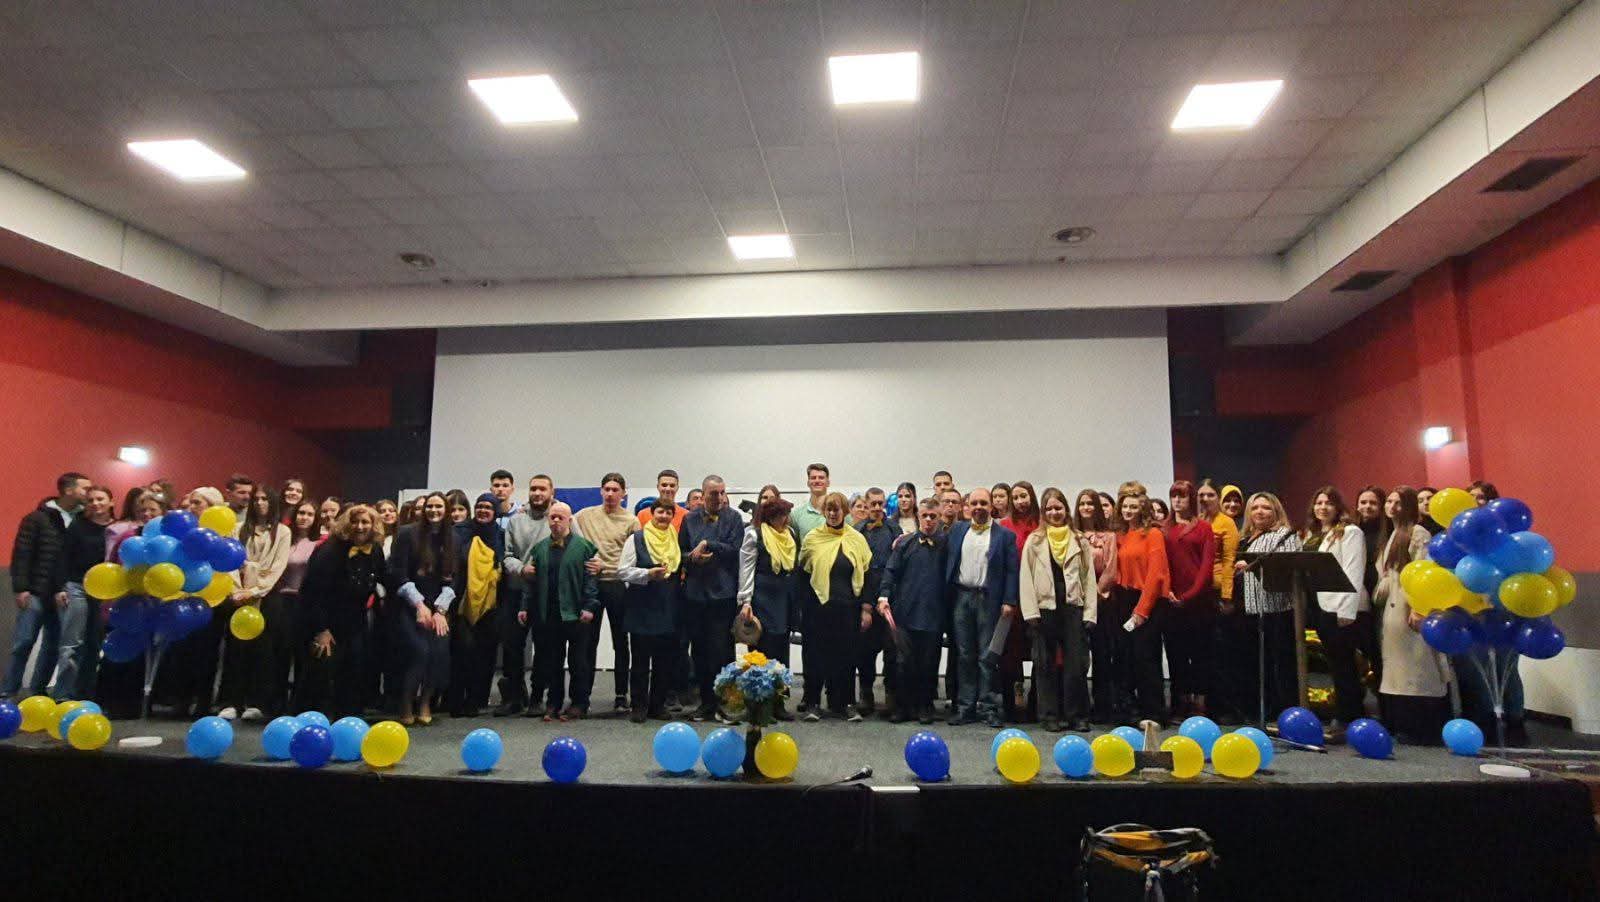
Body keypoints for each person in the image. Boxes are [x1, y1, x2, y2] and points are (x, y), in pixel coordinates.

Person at [1374, 486, 1450, 744]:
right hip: (1392, 609)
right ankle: (1403, 724)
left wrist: (1420, 608)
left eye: (1398, 502)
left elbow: (1425, 573)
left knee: (1418, 669)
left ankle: (1423, 728)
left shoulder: (1418, 533)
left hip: (1411, 608)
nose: (1392, 507)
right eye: (1389, 501)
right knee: (1399, 672)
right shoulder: (1392, 535)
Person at [1020, 487, 1097, 733]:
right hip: (1044, 609)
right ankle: (1049, 715)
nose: (1054, 513)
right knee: (1045, 665)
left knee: (1076, 665)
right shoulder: (1034, 540)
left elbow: (1089, 578)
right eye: (1049, 509)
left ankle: (1077, 716)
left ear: (1066, 509)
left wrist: (1090, 613)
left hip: (1073, 606)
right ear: (1043, 512)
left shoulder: (1079, 540)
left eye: (1058, 507)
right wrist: (1030, 612)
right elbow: (1026, 577)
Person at [5, 472, 88, 699]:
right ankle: (8, 691)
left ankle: (38, 691)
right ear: (68, 490)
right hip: (35, 590)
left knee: (53, 644)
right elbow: (22, 554)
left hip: (63, 592)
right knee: (24, 641)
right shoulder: (37, 518)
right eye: (84, 488)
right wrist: (21, 588)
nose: (88, 493)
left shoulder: (82, 520)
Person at [943, 487, 1020, 727]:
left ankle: (989, 708)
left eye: (983, 503)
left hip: (989, 600)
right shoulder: (957, 530)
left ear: (991, 506)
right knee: (964, 655)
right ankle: (965, 708)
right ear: (968, 506)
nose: (978, 507)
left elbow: (1012, 571)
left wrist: (1009, 600)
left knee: (988, 657)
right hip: (961, 598)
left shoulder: (1005, 536)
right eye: (974, 503)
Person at [300, 504, 385, 718]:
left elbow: (385, 578)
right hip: (325, 619)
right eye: (355, 522)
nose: (360, 527)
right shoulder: (330, 550)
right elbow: (312, 593)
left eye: (365, 522)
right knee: (322, 673)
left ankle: (347, 720)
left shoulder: (375, 550)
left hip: (355, 620)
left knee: (354, 671)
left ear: (373, 525)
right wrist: (322, 630)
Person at [517, 502, 600, 721]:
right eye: (552, 517)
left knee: (578, 662)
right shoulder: (539, 548)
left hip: (577, 614)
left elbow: (591, 581)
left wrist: (589, 606)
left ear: (569, 521)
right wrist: (525, 607)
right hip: (549, 614)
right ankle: (553, 704)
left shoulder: (585, 547)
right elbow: (530, 583)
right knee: (552, 661)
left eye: (560, 518)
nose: (555, 521)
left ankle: (579, 703)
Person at [215, 485, 291, 721]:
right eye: (256, 499)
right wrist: (237, 590)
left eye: (264, 499)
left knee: (263, 651)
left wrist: (255, 591)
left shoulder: (282, 532)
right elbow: (230, 561)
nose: (259, 503)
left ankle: (257, 702)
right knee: (236, 649)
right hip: (238, 595)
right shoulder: (238, 529)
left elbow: (277, 567)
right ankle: (231, 701)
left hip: (266, 597)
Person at [799, 492, 873, 721]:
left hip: (848, 607)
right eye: (828, 510)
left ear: (845, 512)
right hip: (818, 608)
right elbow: (803, 575)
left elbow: (867, 575)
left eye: (836, 509)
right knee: (815, 657)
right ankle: (813, 703)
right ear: (824, 512)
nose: (832, 514)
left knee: (847, 657)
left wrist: (866, 609)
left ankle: (846, 703)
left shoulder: (857, 539)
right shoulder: (813, 538)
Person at [676, 476, 745, 722]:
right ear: (703, 495)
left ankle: (725, 704)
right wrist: (692, 558)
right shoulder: (689, 519)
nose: (719, 498)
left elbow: (735, 550)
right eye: (714, 493)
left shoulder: (734, 518)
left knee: (722, 652)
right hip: (695, 596)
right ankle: (705, 703)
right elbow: (680, 553)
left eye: (722, 492)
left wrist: (709, 544)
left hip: (722, 596)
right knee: (700, 652)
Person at [1302, 486, 1369, 737]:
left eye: (1328, 503)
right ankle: (1343, 714)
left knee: (1344, 665)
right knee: (1334, 662)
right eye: (1319, 503)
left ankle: (1349, 716)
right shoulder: (1316, 535)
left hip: (1342, 609)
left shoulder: (1350, 532)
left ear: (1338, 507)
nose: (1323, 507)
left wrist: (1346, 611)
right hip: (1321, 606)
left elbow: (1353, 571)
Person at [1233, 492, 1304, 721]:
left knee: (1280, 666)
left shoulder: (1284, 535)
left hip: (1277, 610)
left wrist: (1252, 566)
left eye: (1265, 507)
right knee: (1256, 666)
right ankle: (1261, 711)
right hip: (1251, 610)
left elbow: (1285, 569)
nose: (1259, 512)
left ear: (1276, 511)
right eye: (1255, 508)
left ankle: (1284, 714)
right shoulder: (1246, 537)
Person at [387, 492, 456, 725]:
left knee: (437, 653)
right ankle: (406, 703)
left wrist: (440, 610)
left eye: (439, 506)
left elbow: (455, 578)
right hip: (408, 604)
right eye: (430, 506)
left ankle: (425, 702)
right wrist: (419, 605)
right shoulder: (407, 534)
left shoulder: (454, 538)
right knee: (419, 652)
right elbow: (397, 572)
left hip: (439, 607)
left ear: (446, 510)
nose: (434, 511)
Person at [574, 473, 640, 713]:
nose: (610, 494)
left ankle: (621, 695)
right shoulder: (584, 516)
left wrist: (606, 566)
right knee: (587, 642)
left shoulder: (631, 521)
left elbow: (633, 558)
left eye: (615, 490)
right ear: (601, 491)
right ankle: (583, 697)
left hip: (617, 585)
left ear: (623, 493)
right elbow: (561, 519)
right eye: (607, 489)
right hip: (591, 586)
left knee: (621, 642)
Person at [878, 498, 947, 724]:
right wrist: (883, 596)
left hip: (933, 615)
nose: (928, 520)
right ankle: (902, 707)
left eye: (933, 516)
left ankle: (925, 706)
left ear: (939, 517)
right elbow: (890, 572)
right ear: (918, 516)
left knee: (929, 664)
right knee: (903, 663)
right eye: (925, 516)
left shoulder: (947, 546)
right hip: (905, 614)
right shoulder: (904, 544)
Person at [1111, 482, 1173, 725]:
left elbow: (1156, 575)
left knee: (1146, 658)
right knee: (1126, 658)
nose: (1128, 511)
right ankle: (1129, 712)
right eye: (1125, 506)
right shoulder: (1121, 535)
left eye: (1133, 507)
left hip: (1148, 601)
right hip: (1124, 599)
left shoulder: (1153, 534)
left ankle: (1153, 713)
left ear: (1142, 509)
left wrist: (1142, 611)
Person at [737, 497, 801, 721]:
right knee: (762, 652)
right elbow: (746, 569)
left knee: (782, 651)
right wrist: (745, 601)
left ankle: (779, 703)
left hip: (785, 598)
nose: (785, 519)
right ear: (770, 517)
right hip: (763, 599)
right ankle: (758, 705)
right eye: (780, 515)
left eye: (786, 515)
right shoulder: (754, 535)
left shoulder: (790, 535)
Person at [618, 498, 681, 723]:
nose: (664, 516)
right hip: (641, 608)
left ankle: (657, 706)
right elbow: (622, 571)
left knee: (664, 662)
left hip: (668, 608)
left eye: (668, 513)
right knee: (640, 662)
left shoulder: (675, 539)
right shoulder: (636, 539)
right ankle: (639, 706)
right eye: (660, 512)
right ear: (652, 514)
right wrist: (647, 574)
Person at [498, 474, 556, 717]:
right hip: (516, 590)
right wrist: (522, 569)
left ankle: (536, 698)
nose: (537, 493)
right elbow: (507, 556)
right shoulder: (516, 521)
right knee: (512, 646)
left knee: (544, 647)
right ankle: (514, 698)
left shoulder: (560, 517)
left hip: (546, 594)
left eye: (542, 489)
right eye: (533, 489)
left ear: (551, 492)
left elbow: (574, 546)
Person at [52, 483, 113, 702]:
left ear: (111, 502)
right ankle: (63, 695)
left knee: (95, 643)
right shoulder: (78, 526)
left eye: (100, 499)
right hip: (76, 586)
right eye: (91, 500)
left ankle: (86, 693)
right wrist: (60, 587)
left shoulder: (116, 528)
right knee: (72, 643)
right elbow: (63, 557)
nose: (95, 503)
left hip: (105, 590)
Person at [1163, 481, 1217, 721]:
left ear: (1191, 499)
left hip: (1199, 602)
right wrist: (1168, 592)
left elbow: (1206, 567)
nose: (1177, 501)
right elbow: (1161, 565)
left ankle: (1200, 703)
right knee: (1176, 655)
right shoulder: (1164, 529)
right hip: (1170, 602)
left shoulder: (1204, 528)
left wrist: (1189, 595)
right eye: (1174, 496)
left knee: (1201, 653)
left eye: (1182, 496)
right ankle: (1180, 702)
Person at [447, 494, 504, 718]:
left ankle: (476, 700)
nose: (483, 510)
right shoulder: (459, 532)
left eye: (488, 507)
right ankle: (455, 700)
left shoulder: (500, 535)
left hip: (491, 604)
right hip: (462, 601)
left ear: (495, 511)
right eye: (479, 506)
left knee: (485, 653)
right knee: (463, 651)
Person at [1198, 479, 1244, 722]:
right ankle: (1210, 707)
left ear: (1218, 498)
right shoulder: (1198, 521)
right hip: (1200, 593)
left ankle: (1227, 708)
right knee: (1206, 652)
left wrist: (1226, 596)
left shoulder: (1226, 523)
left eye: (1210, 495)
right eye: (1201, 495)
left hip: (1219, 593)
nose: (1205, 499)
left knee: (1222, 653)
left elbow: (1228, 561)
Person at [851, 487, 899, 718]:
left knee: (892, 651)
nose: (877, 508)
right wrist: (865, 605)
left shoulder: (894, 529)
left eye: (881, 503)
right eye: (873, 504)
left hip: (890, 601)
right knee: (865, 652)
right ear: (866, 504)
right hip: (865, 599)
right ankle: (866, 693)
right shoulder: (856, 531)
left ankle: (891, 695)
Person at [269, 501, 319, 717]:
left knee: (302, 654)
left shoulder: (318, 544)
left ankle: (299, 704)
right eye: (301, 513)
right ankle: (276, 703)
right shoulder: (283, 539)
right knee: (280, 653)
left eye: (309, 514)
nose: (304, 517)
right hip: (281, 600)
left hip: (305, 602)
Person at [791, 463, 830, 537]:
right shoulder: (796, 515)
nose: (817, 481)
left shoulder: (840, 511)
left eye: (821, 478)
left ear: (828, 483)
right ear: (808, 483)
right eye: (813, 478)